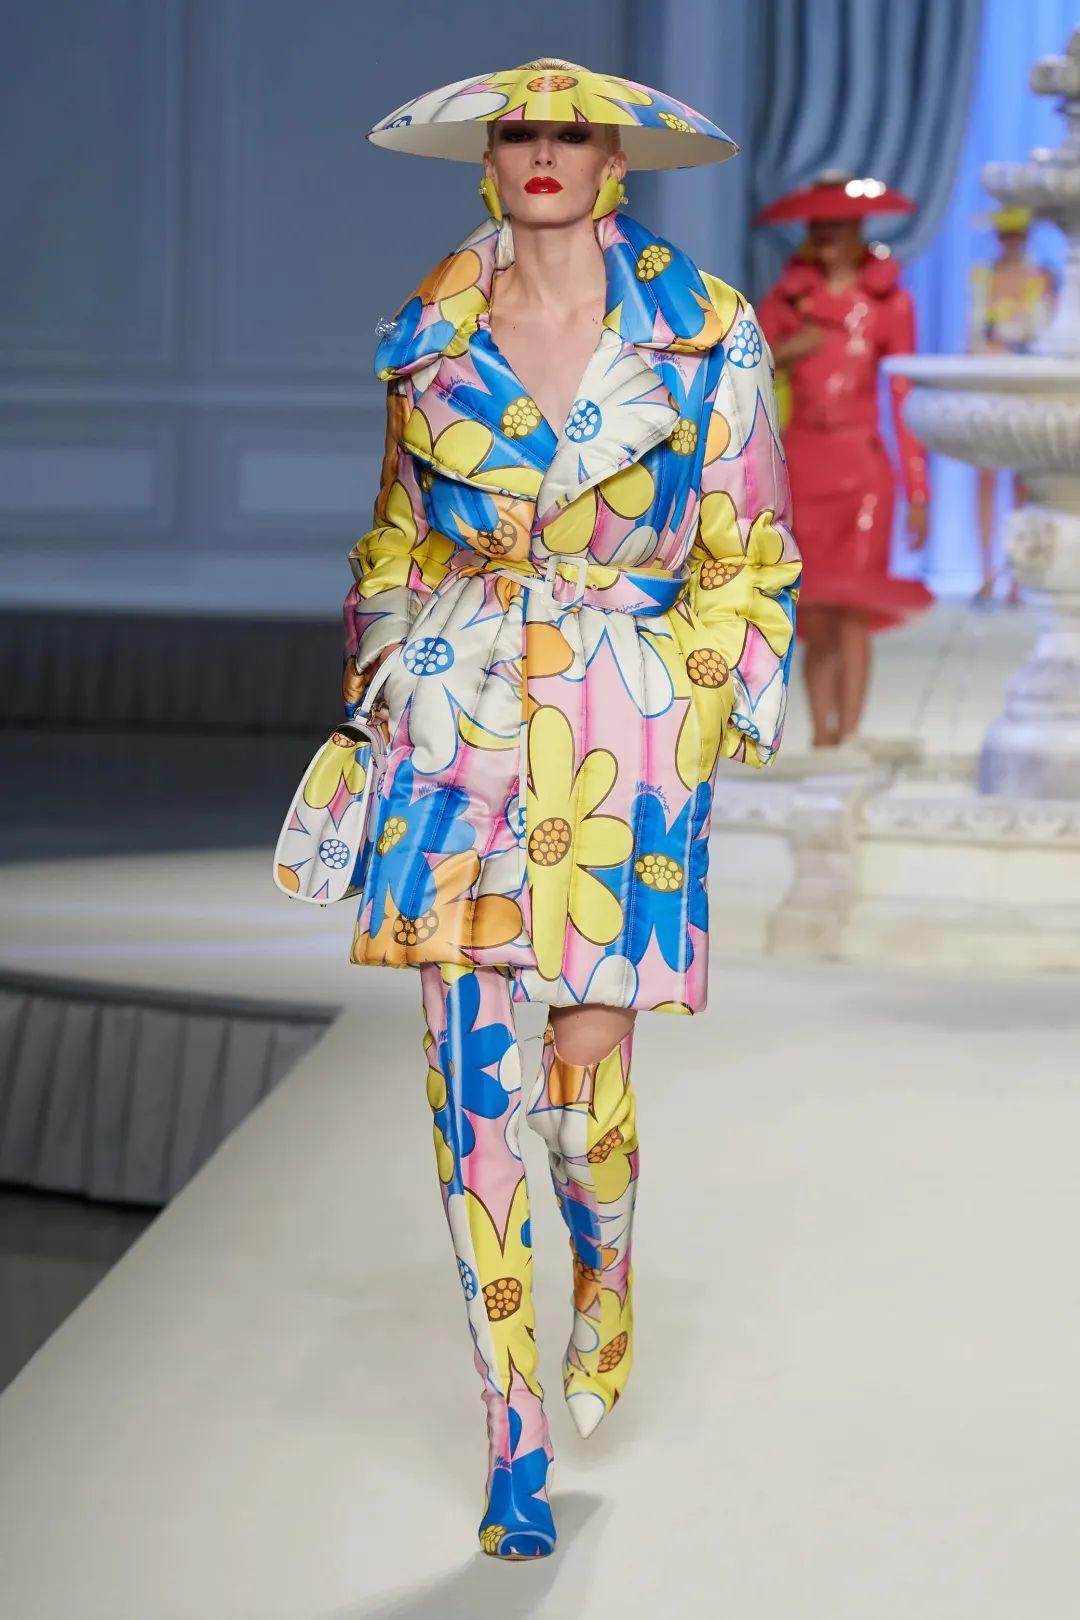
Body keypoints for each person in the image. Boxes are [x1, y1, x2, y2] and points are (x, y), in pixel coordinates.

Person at [316, 59, 800, 1558]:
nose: (541, 152)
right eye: (517, 131)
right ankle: (511, 1443)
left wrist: (691, 714)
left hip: (618, 738)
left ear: (614, 163)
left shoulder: (707, 333)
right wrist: (384, 675)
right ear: (486, 158)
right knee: (471, 1103)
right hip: (457, 727)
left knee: (583, 1091)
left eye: (570, 133)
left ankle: (607, 1270)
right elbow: (395, 539)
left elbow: (751, 556)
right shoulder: (427, 345)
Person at [757, 173, 932, 750]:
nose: (827, 237)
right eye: (819, 228)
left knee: (854, 609)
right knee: (816, 612)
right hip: (804, 466)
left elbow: (905, 396)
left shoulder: (889, 302)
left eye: (837, 227)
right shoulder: (790, 298)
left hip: (863, 473)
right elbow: (742, 370)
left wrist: (919, 490)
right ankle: (822, 737)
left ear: (858, 229)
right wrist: (790, 350)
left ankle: (848, 737)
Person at [968, 206, 1055, 604]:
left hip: (1022, 386)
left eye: (1018, 235)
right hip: (988, 384)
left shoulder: (1040, 278)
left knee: (1021, 484)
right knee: (986, 478)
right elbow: (972, 335)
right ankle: (986, 573)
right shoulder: (983, 277)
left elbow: (1046, 337)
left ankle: (1016, 578)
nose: (1012, 242)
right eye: (1006, 235)